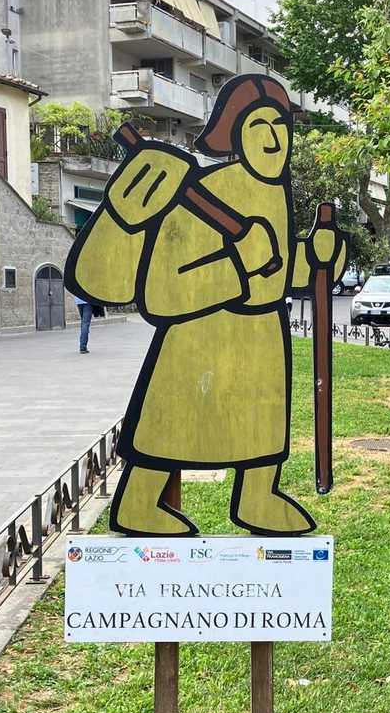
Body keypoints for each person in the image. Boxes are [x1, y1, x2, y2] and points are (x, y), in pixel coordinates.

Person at [67, 75, 345, 535]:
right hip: (200, 337)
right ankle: (139, 502)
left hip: (261, 338)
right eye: (258, 126)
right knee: (171, 425)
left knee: (261, 420)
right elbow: (162, 290)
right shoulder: (201, 194)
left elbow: (275, 267)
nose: (273, 138)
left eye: (279, 125)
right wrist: (237, 264)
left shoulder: (275, 191)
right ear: (235, 135)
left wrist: (317, 259)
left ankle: (258, 495)